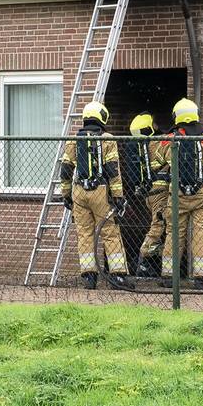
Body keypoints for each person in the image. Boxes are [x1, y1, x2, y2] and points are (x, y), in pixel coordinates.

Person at [155, 98, 203, 290]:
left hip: (177, 194)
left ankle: (169, 277)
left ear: (177, 116)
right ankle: (201, 279)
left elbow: (157, 160)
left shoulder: (170, 137)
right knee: (201, 234)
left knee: (173, 234)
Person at [59, 101, 128, 290]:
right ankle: (118, 276)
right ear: (102, 117)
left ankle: (89, 277)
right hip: (101, 191)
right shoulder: (107, 138)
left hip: (79, 192)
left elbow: (65, 170)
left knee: (84, 234)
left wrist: (66, 195)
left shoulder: (74, 140)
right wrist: (118, 196)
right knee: (110, 232)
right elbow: (113, 170)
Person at [128, 112, 169, 278]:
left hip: (150, 193)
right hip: (159, 192)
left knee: (162, 227)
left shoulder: (142, 146)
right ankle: (143, 261)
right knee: (158, 226)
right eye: (154, 124)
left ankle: (152, 263)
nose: (157, 127)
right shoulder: (157, 143)